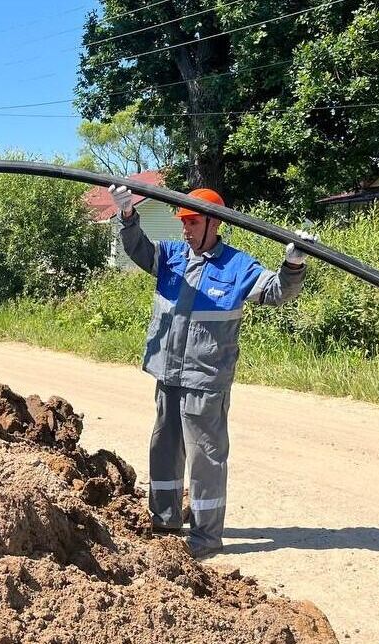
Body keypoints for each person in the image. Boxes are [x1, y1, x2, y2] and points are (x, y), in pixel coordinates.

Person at [109, 184, 317, 558]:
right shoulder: (171, 255)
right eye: (183, 222)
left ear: (213, 223)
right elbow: (139, 248)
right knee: (164, 448)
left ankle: (204, 539)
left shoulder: (238, 267)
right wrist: (127, 217)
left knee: (206, 458)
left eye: (191, 222)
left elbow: (276, 292)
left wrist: (294, 263)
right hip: (168, 374)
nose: (184, 229)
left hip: (206, 381)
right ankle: (164, 521)